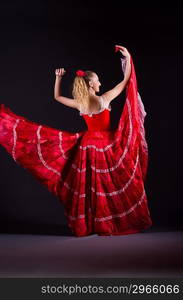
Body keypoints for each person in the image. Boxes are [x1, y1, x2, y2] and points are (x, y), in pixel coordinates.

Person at [0, 45, 152, 237]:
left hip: (87, 146)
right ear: (90, 85)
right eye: (97, 81)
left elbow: (57, 97)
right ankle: (109, 222)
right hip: (106, 145)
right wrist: (128, 58)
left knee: (92, 186)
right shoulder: (104, 99)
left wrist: (58, 77)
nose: (100, 83)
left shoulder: (81, 103)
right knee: (108, 184)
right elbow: (125, 82)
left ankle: (92, 224)